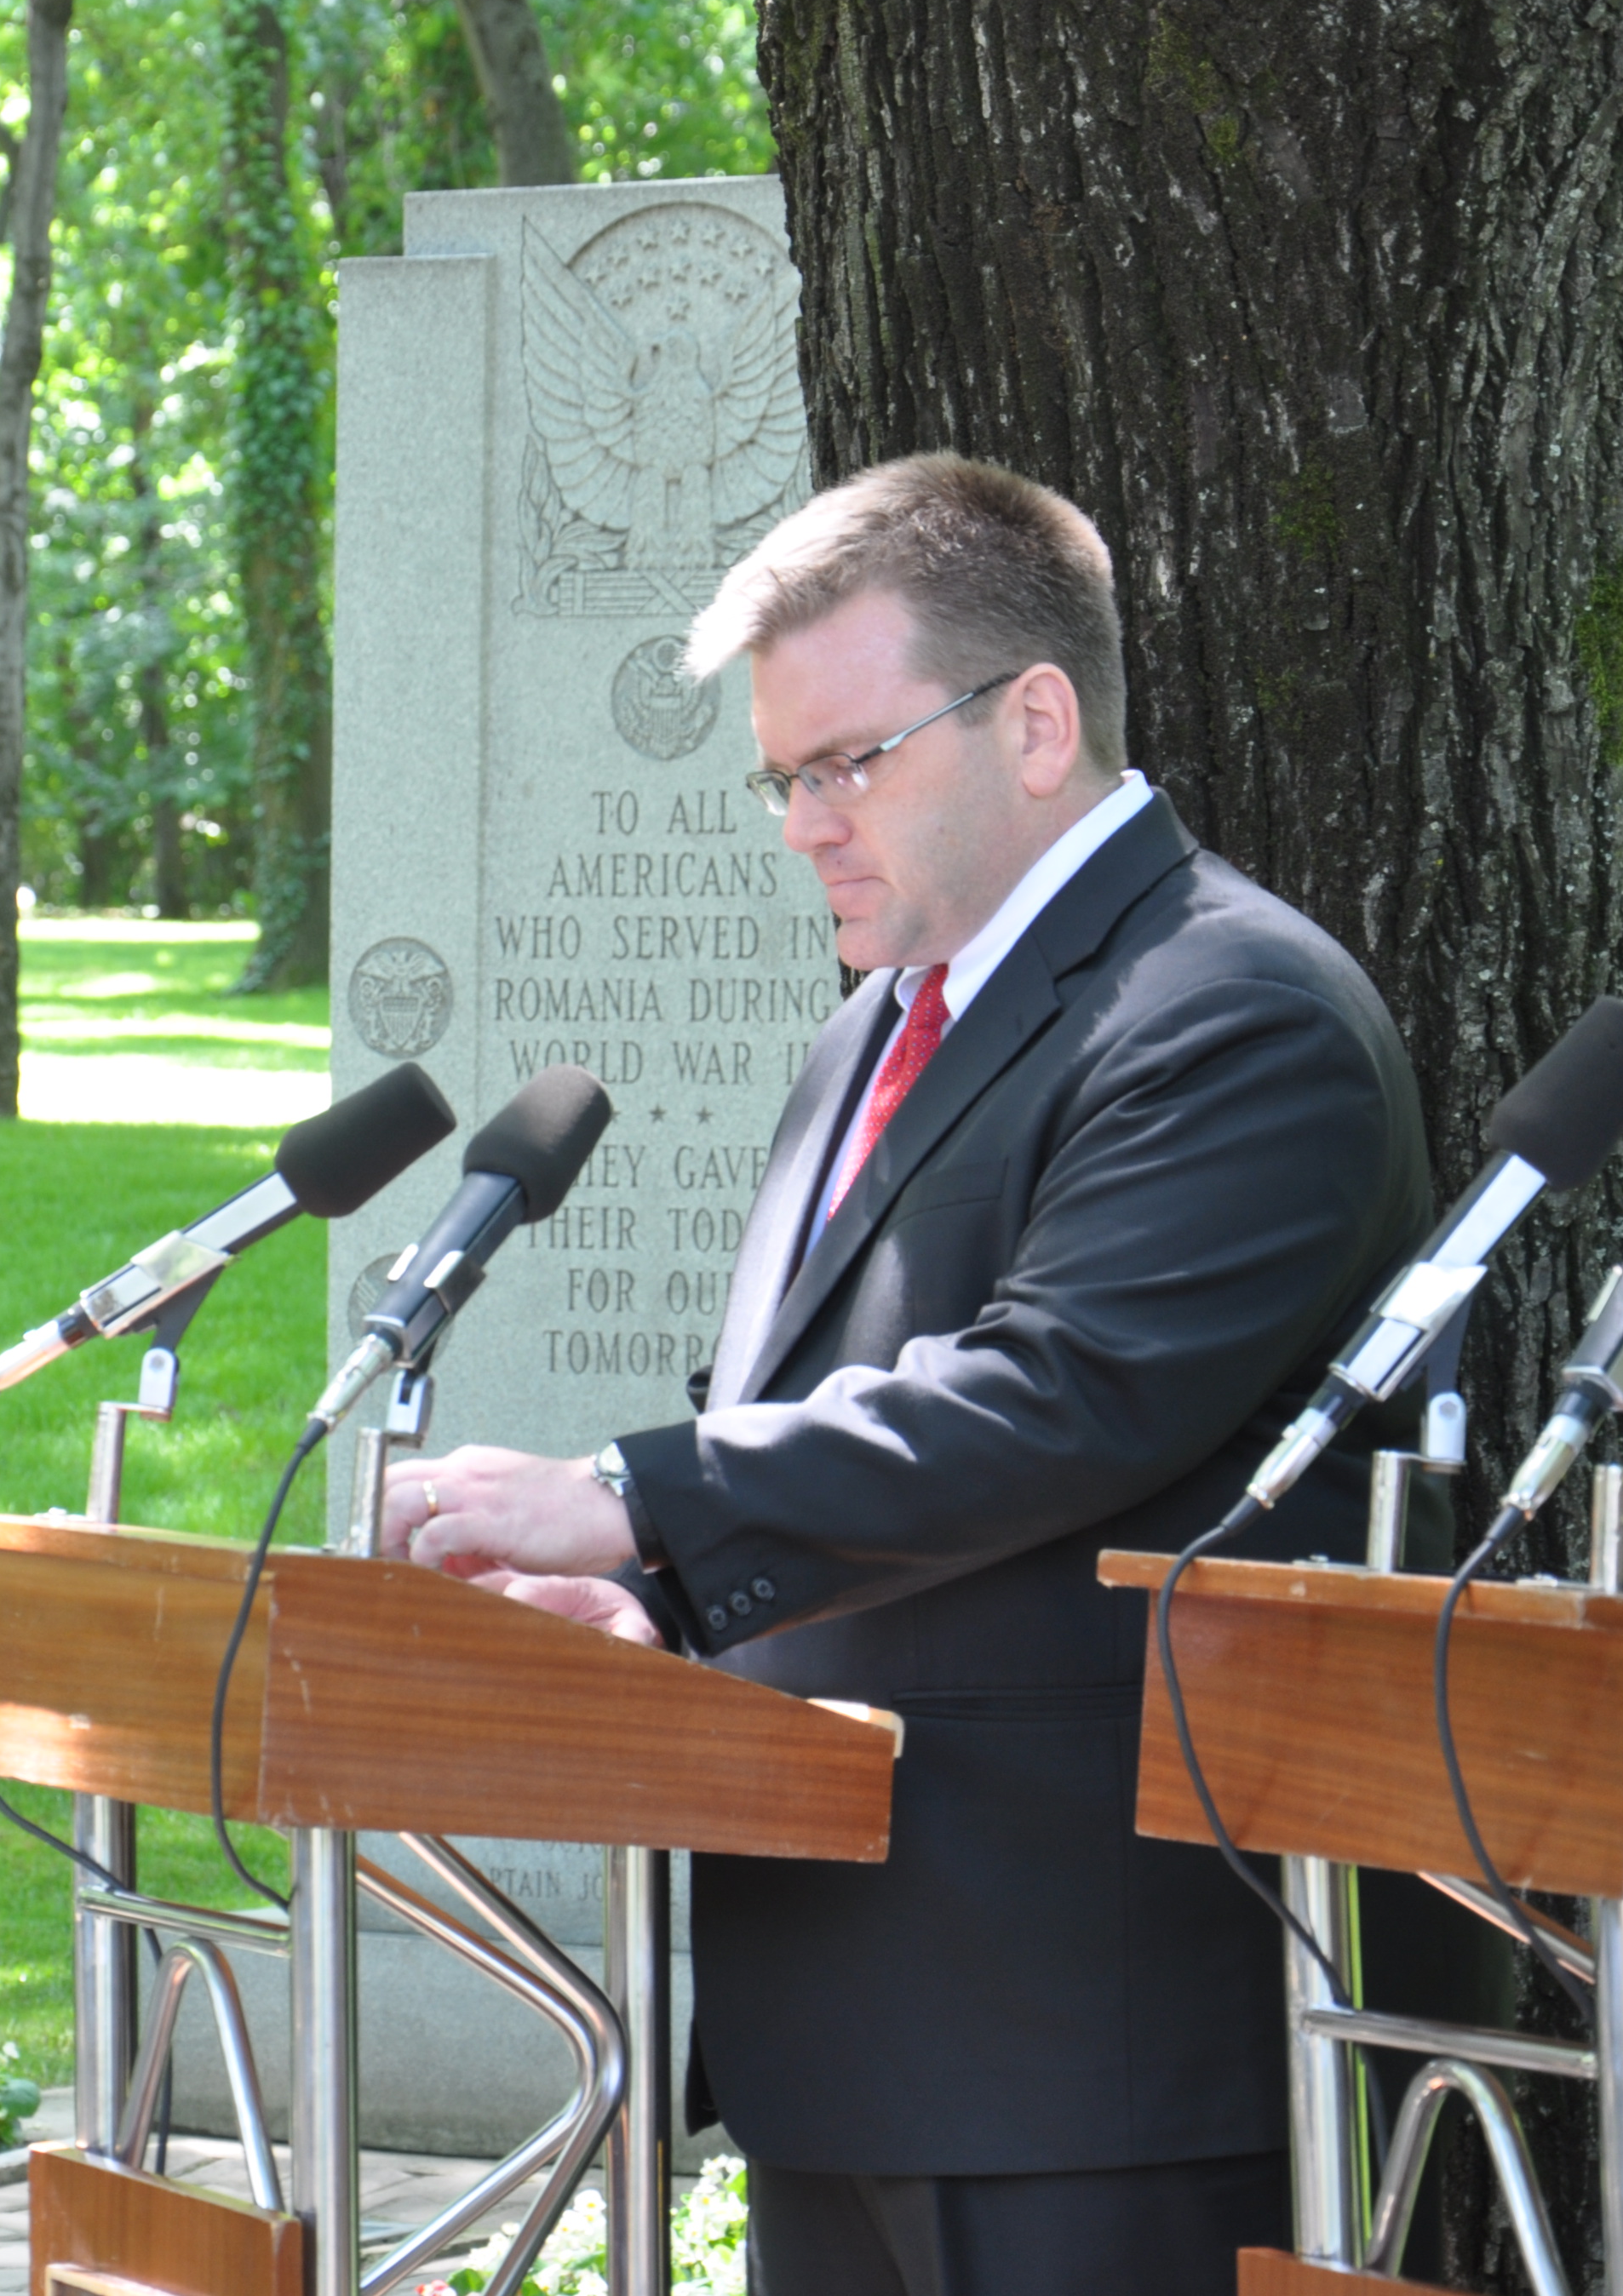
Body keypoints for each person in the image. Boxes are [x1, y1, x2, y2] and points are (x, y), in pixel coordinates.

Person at [380, 456, 1430, 2294]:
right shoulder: (876, 1015)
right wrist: (651, 1605)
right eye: (781, 774)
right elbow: (850, 1455)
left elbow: (1058, 1397)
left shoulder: (1225, 1007)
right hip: (856, 2012)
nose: (802, 821)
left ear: (1034, 720)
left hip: (1088, 2036)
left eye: (844, 760)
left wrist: (630, 1492)